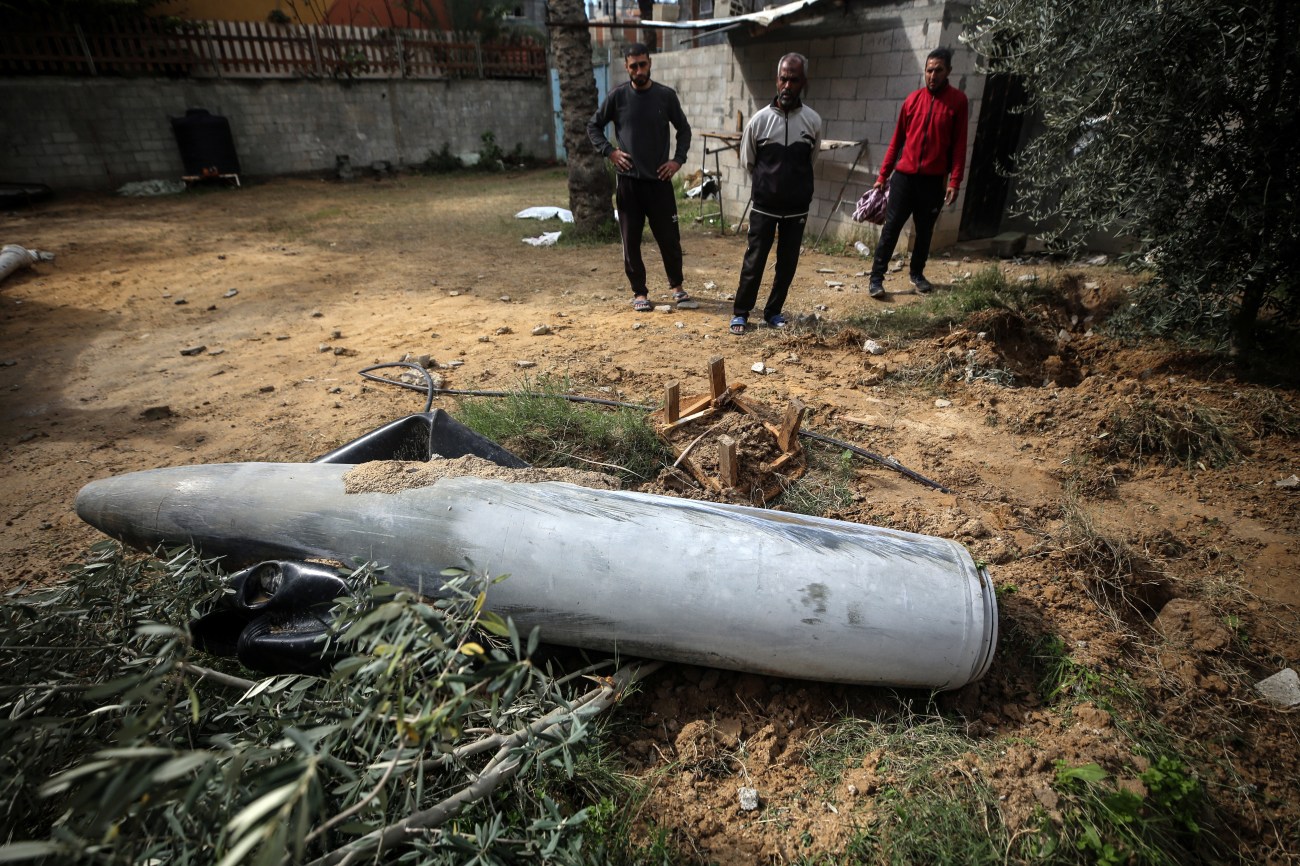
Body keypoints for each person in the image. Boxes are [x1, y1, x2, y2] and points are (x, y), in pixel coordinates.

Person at [587, 43, 694, 312]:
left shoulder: (665, 96)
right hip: (629, 183)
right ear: (626, 67)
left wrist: (677, 160)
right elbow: (594, 126)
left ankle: (677, 287)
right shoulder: (618, 97)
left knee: (669, 238)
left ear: (650, 63)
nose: (639, 70)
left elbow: (684, 130)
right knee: (630, 239)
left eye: (643, 64)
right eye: (633, 66)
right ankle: (639, 292)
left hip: (660, 182)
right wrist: (610, 152)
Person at [730, 53, 822, 335]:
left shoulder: (813, 121)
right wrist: (767, 186)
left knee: (787, 262)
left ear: (803, 82)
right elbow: (748, 160)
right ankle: (741, 313)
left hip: (796, 209)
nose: (787, 85)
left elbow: (812, 159)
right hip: (764, 206)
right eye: (783, 78)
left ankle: (773, 312)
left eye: (794, 80)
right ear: (776, 79)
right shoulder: (759, 122)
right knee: (754, 260)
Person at [868, 47, 968, 298]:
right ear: (924, 71)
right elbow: (896, 141)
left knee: (924, 232)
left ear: (948, 72)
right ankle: (876, 279)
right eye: (929, 70)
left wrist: (954, 181)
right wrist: (883, 176)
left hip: (933, 181)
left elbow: (959, 145)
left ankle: (917, 274)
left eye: (938, 70)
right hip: (904, 179)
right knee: (891, 229)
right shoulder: (912, 101)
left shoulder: (957, 102)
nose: (933, 75)